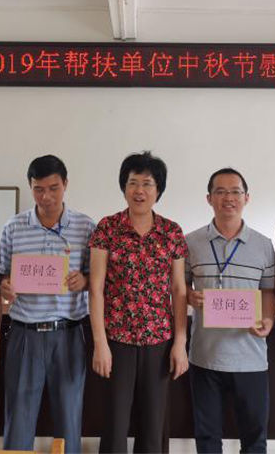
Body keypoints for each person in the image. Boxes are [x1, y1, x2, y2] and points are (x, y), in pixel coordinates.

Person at [89, 151, 189, 453]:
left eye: (147, 184)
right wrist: (100, 344)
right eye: (133, 183)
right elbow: (96, 288)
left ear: (158, 190)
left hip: (159, 341)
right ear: (124, 187)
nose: (139, 191)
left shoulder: (171, 232)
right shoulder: (107, 228)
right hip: (117, 340)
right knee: (115, 422)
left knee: (153, 425)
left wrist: (180, 343)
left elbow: (179, 290)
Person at [0, 155, 95, 453]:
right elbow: (3, 275)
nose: (46, 197)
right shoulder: (14, 227)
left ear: (65, 184)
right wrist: (6, 286)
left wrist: (84, 280)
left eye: (54, 188)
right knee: (19, 415)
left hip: (69, 333)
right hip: (25, 333)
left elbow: (97, 278)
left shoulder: (85, 227)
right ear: (30, 187)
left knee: (69, 416)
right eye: (39, 189)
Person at [185, 168, 275, 454]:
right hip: (204, 356)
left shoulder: (263, 245)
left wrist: (268, 319)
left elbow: (269, 290)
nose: (228, 198)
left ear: (247, 198)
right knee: (207, 439)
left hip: (251, 358)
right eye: (221, 192)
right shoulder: (191, 242)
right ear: (209, 198)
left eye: (235, 191)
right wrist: (190, 296)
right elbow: (179, 287)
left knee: (254, 440)